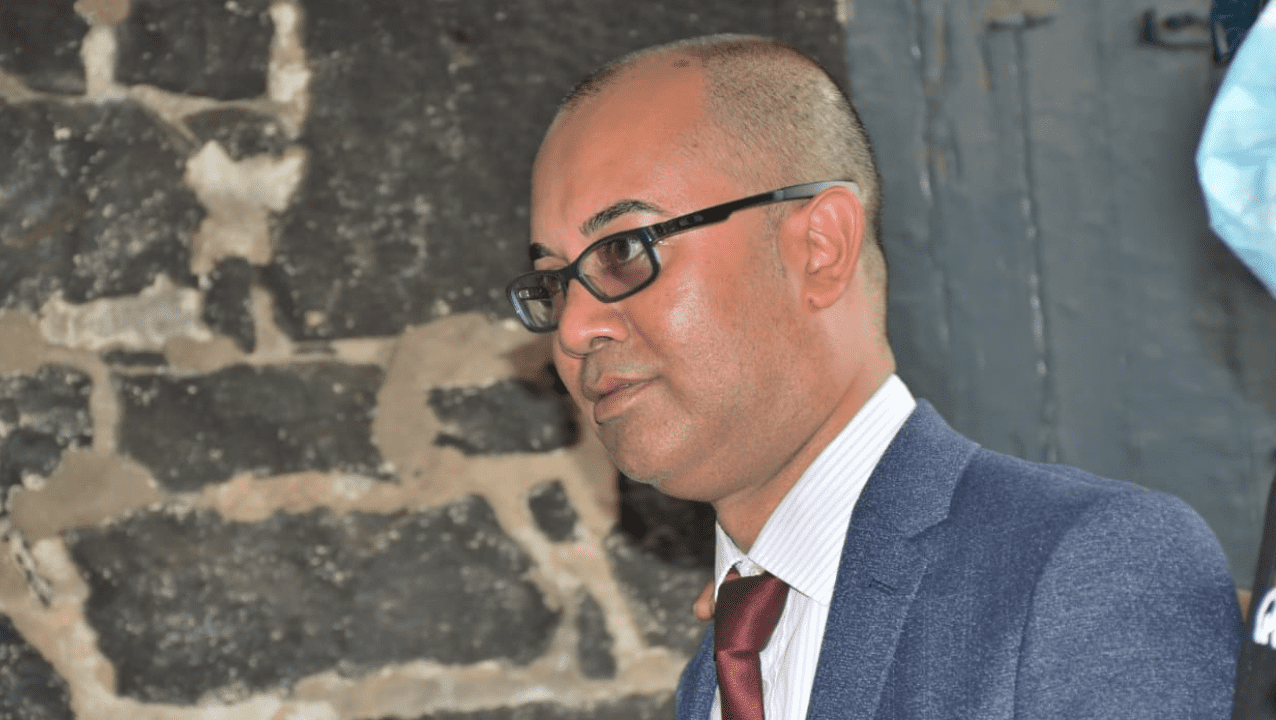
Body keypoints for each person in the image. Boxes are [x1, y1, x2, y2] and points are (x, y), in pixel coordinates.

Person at [506, 34, 1241, 719]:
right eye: (553, 284)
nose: (573, 328)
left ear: (819, 247)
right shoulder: (717, 673)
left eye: (623, 250)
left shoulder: (1088, 567)